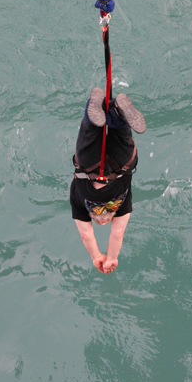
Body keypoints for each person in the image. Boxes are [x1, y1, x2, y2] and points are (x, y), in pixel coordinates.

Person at [70, 86, 146, 274]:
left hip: (122, 165)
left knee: (123, 138)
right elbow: (85, 235)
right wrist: (96, 257)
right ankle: (93, 117)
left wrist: (110, 258)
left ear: (107, 220)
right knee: (88, 137)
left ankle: (119, 116)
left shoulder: (122, 206)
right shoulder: (80, 203)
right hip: (87, 168)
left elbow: (117, 233)